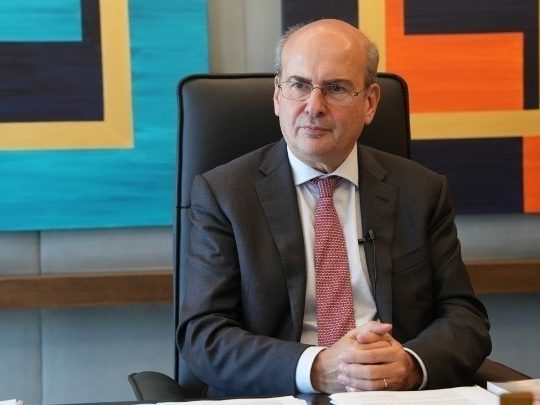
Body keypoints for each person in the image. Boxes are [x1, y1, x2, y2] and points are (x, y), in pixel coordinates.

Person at [177, 19, 491, 397]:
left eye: (336, 88)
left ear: (370, 102)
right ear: (277, 96)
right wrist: (317, 368)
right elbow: (204, 335)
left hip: (392, 395)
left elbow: (465, 318)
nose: (314, 106)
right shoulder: (224, 194)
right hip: (282, 393)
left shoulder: (421, 191)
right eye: (298, 85)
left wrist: (410, 364)